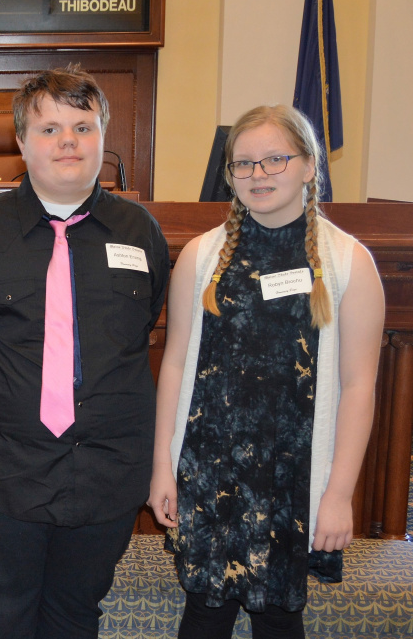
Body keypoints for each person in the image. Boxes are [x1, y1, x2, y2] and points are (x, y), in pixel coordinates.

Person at [0, 65, 170, 638]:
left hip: (104, 475)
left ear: (103, 137)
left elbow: (144, 325)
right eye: (49, 129)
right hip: (1, 474)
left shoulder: (140, 231)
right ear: (21, 142)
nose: (67, 141)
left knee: (73, 618)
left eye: (83, 126)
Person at [148, 104, 385, 638]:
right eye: (244, 164)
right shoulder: (202, 257)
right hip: (210, 473)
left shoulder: (349, 262)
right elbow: (177, 362)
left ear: (309, 166)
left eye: (275, 159)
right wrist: (162, 464)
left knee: (279, 618)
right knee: (205, 614)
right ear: (229, 175)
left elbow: (358, 387)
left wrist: (339, 493)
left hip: (292, 481)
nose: (258, 174)